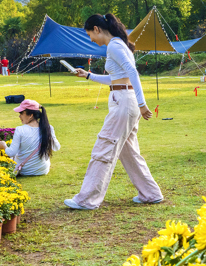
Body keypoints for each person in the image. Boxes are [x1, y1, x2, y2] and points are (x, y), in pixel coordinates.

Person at [63, 13, 164, 209]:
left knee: (104, 147)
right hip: (124, 99)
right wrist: (88, 76)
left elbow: (133, 73)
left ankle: (87, 199)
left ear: (97, 29)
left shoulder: (115, 46)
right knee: (129, 152)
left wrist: (143, 104)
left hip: (125, 102)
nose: (91, 39)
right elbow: (117, 79)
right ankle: (151, 193)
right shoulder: (117, 46)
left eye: (89, 35)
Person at [0, 99, 60, 176]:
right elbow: (56, 147)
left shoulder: (20, 130)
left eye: (21, 113)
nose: (19, 116)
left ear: (31, 115)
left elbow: (11, 152)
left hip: (25, 170)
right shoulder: (48, 128)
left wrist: (3, 145)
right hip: (43, 170)